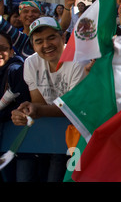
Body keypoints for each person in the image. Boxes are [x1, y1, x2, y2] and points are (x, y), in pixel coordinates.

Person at [11, 17, 88, 182]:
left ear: (63, 37)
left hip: (79, 136)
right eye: (39, 41)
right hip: (51, 134)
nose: (46, 45)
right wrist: (25, 112)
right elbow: (38, 103)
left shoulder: (79, 62)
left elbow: (72, 108)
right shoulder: (31, 63)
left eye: (51, 37)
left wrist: (37, 110)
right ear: (33, 45)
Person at [0, 32, 31, 182]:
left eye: (3, 48)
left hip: (20, 146)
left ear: (12, 51)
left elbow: (24, 106)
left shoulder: (15, 71)